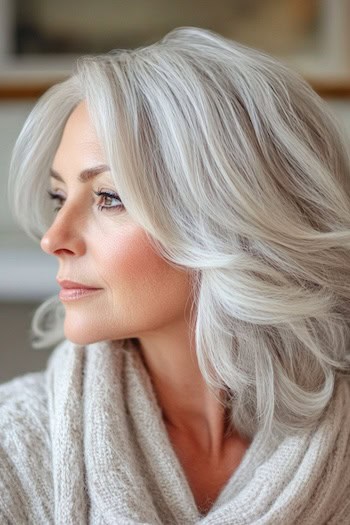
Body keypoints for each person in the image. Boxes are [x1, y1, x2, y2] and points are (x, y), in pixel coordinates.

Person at [1, 26, 350, 524]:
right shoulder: (14, 449)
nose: (54, 237)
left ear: (230, 220)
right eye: (59, 197)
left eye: (109, 197)